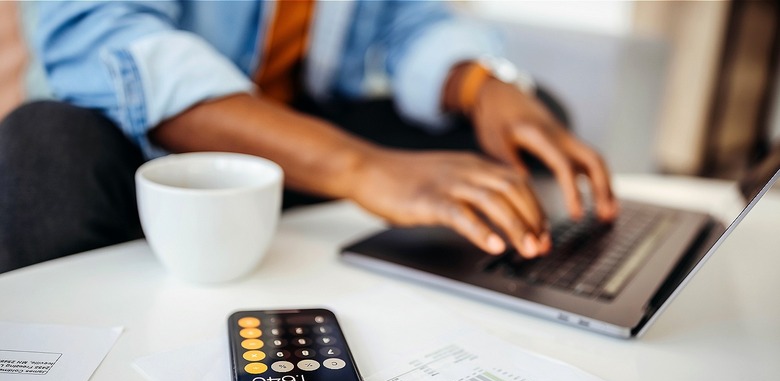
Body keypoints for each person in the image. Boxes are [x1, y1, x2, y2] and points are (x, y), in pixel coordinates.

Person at [0, 1, 617, 274]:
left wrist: (485, 83)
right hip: (144, 159)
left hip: (292, 140)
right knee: (43, 150)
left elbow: (408, 18)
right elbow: (109, 41)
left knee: (525, 118)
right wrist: (360, 167)